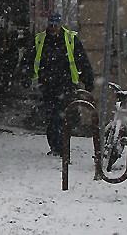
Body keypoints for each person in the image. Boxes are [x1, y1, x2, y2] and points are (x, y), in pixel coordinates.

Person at [32, 12, 94, 156]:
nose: (53, 28)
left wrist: (87, 79)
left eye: (56, 25)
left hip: (66, 83)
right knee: (52, 115)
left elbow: (82, 60)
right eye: (51, 25)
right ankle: (56, 145)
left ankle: (60, 145)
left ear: (60, 24)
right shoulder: (40, 40)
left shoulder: (70, 39)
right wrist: (27, 75)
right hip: (48, 83)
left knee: (60, 115)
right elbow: (31, 58)